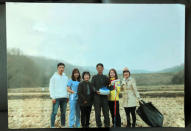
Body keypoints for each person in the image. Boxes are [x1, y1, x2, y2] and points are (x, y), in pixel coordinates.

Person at [49, 63, 69, 128]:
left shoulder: (66, 77)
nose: (61, 69)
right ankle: (52, 126)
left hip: (64, 97)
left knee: (63, 113)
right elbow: (51, 88)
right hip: (56, 98)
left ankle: (63, 125)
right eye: (60, 67)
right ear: (57, 68)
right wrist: (53, 97)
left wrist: (67, 96)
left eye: (63, 67)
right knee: (54, 112)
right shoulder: (54, 77)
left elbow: (67, 87)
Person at [91, 63, 110, 128]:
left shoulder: (106, 77)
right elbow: (92, 86)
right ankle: (99, 125)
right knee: (97, 113)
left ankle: (107, 124)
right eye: (98, 68)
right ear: (96, 69)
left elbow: (108, 85)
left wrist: (108, 91)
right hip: (96, 97)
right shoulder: (94, 77)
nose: (99, 69)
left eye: (101, 68)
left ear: (103, 68)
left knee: (106, 112)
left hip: (104, 97)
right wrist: (96, 91)